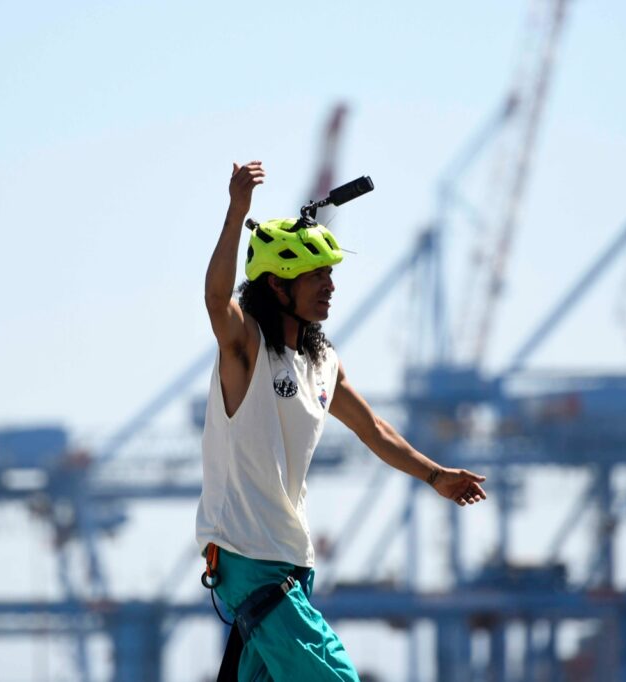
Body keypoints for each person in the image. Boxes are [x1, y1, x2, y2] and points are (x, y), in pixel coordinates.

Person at [196, 160, 488, 681]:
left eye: (330, 274)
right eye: (316, 276)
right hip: (250, 559)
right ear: (278, 285)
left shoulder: (322, 361)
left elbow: (374, 430)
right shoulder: (247, 349)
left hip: (292, 562)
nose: (329, 285)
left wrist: (435, 475)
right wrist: (237, 211)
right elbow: (217, 300)